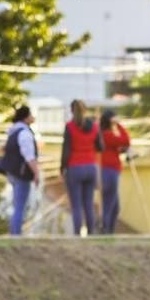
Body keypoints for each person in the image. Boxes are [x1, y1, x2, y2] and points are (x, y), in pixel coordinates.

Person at [0, 105, 40, 236]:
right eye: (31, 114)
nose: (33, 117)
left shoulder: (13, 132)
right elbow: (29, 156)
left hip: (12, 172)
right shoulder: (24, 133)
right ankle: (16, 234)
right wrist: (36, 172)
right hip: (21, 174)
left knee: (17, 204)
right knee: (20, 206)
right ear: (26, 117)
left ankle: (14, 232)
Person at [60, 99, 100, 236]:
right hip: (90, 168)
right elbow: (101, 146)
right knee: (88, 204)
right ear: (85, 110)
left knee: (76, 205)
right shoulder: (94, 127)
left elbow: (66, 151)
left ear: (71, 110)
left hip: (74, 168)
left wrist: (62, 168)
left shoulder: (70, 127)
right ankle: (91, 234)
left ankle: (77, 234)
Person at [98, 109, 131, 234]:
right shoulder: (106, 135)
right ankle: (105, 230)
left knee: (115, 206)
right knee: (109, 204)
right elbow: (126, 140)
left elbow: (121, 145)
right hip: (109, 171)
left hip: (111, 171)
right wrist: (119, 125)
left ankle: (109, 230)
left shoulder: (106, 135)